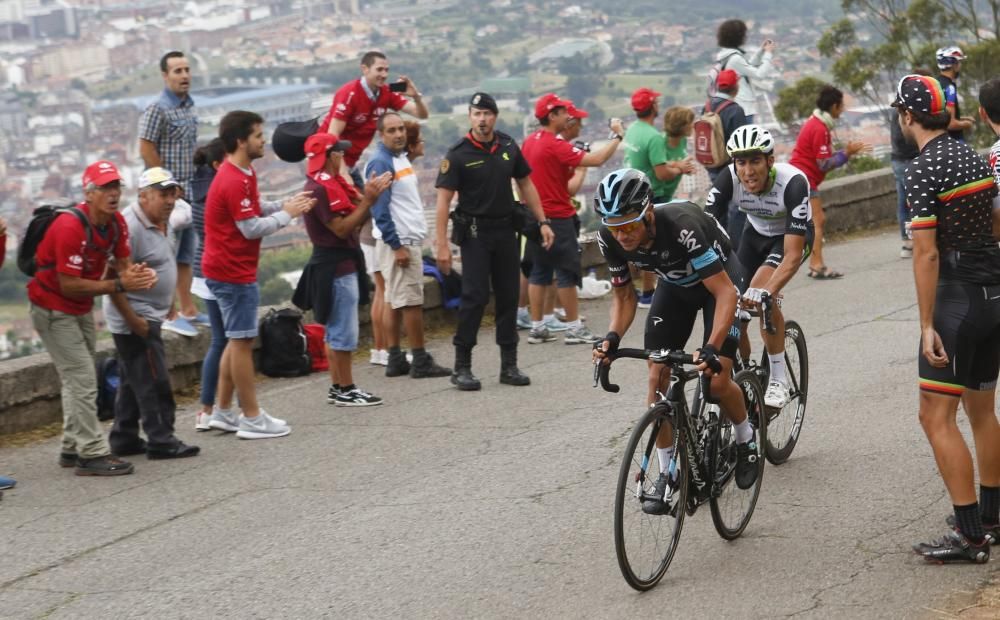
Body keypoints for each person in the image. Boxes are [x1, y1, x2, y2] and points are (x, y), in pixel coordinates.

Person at [592, 168, 760, 513]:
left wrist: (712, 347)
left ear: (648, 214)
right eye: (614, 226)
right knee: (656, 379)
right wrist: (611, 337)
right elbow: (624, 299)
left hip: (721, 283)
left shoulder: (682, 227)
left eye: (629, 225)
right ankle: (668, 471)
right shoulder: (609, 238)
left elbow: (726, 293)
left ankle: (747, 439)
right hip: (675, 288)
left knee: (715, 380)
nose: (621, 235)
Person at [892, 74, 1000, 563]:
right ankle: (993, 516)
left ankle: (970, 535)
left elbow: (926, 253)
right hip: (993, 292)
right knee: (982, 410)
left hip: (956, 298)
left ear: (908, 116)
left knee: (934, 415)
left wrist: (925, 324)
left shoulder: (921, 168)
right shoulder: (972, 155)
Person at [28, 161, 158, 475]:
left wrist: (137, 274)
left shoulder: (115, 224)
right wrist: (118, 284)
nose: (113, 194)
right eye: (105, 188)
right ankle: (92, 454)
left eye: (116, 187)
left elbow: (124, 265)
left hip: (80, 307)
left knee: (77, 381)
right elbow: (67, 284)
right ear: (89, 193)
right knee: (84, 380)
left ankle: (72, 448)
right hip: (52, 307)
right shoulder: (70, 226)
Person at [201, 111, 316, 439]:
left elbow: (254, 205)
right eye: (257, 135)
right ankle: (251, 417)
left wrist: (283, 203)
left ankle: (223, 412)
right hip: (231, 271)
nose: (263, 140)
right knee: (241, 342)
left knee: (235, 340)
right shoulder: (234, 178)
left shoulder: (241, 171)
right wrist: (286, 214)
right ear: (241, 141)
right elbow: (250, 228)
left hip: (230, 269)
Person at [434, 92, 554, 391]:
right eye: (477, 114)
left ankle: (508, 365)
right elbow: (443, 200)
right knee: (474, 298)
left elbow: (525, 183)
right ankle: (462, 366)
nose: (482, 119)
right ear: (470, 117)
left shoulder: (508, 145)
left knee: (509, 296)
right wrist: (441, 244)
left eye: (487, 114)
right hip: (475, 235)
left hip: (505, 232)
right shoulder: (457, 154)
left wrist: (542, 222)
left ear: (495, 117)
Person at [706, 125, 814, 410]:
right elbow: (704, 227)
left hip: (789, 239)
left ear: (769, 161)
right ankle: (749, 373)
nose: (748, 171)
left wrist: (768, 291)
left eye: (755, 161)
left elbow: (791, 255)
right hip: (754, 236)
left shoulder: (793, 183)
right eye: (741, 162)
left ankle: (778, 379)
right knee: (735, 309)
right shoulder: (728, 179)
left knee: (761, 296)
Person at [104, 168, 200, 459]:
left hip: (150, 313)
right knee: (154, 379)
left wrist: (167, 300)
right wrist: (134, 320)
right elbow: (112, 277)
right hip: (136, 317)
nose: (170, 200)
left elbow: (161, 263)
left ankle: (124, 437)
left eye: (172, 193)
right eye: (162, 194)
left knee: (134, 378)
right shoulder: (130, 227)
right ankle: (161, 439)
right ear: (143, 196)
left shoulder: (162, 220)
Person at [294, 133, 392, 406]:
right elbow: (341, 228)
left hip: (339, 263)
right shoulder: (320, 189)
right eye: (339, 152)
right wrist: (369, 201)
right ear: (332, 156)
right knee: (343, 332)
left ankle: (339, 387)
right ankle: (346, 388)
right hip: (336, 267)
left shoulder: (327, 183)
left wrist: (368, 199)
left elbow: (353, 217)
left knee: (336, 330)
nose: (343, 157)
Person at [521, 94, 624, 346]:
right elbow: (597, 159)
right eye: (562, 112)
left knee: (539, 271)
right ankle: (574, 327)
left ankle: (537, 327)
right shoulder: (553, 145)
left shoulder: (529, 142)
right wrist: (617, 136)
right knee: (566, 272)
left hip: (536, 217)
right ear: (552, 115)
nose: (567, 116)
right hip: (558, 217)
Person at [364, 115, 451, 378]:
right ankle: (420, 359)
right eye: (392, 130)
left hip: (402, 239)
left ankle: (395, 357)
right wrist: (396, 245)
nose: (399, 134)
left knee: (393, 300)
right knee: (411, 302)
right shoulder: (382, 161)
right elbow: (380, 208)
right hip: (400, 241)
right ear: (382, 135)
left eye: (401, 129)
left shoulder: (399, 158)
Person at [138, 50, 203, 337]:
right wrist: (165, 185)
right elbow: (146, 147)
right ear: (165, 76)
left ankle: (188, 309)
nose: (184, 75)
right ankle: (169, 312)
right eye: (177, 71)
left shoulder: (189, 106)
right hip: (167, 194)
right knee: (165, 255)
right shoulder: (157, 109)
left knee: (186, 254)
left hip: (188, 191)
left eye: (187, 69)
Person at [788, 85, 871, 280]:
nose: (841, 110)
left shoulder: (817, 122)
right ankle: (816, 264)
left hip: (802, 176)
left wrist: (845, 153)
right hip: (804, 178)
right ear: (834, 106)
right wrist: (847, 154)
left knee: (813, 221)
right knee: (817, 221)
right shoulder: (819, 127)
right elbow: (824, 164)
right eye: (841, 106)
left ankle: (813, 263)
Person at [623, 87, 694, 308]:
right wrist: (680, 168)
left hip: (630, 189)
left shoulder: (633, 129)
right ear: (653, 106)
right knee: (652, 244)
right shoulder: (654, 137)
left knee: (638, 244)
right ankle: (648, 293)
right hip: (651, 193)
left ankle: (638, 292)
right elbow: (662, 172)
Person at [319, 51, 429, 184]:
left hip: (351, 163)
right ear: (365, 69)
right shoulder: (349, 93)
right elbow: (333, 134)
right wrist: (342, 172)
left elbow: (422, 114)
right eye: (379, 70)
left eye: (387, 70)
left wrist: (416, 96)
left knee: (365, 202)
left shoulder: (387, 91)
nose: (384, 75)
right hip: (329, 165)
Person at [190, 139, 228, 432]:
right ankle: (218, 408)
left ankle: (207, 409)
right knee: (231, 340)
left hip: (203, 271)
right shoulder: (217, 190)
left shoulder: (198, 189)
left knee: (221, 340)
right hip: (219, 269)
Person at [714, 19, 777, 124]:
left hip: (736, 105)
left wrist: (761, 51)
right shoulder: (735, 58)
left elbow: (747, 67)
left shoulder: (726, 55)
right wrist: (768, 54)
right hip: (743, 107)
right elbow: (759, 74)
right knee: (744, 139)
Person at [703, 69, 748, 185]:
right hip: (729, 168)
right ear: (735, 87)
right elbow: (743, 145)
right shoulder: (735, 110)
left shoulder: (707, 107)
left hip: (711, 164)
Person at [890, 103, 920, 259]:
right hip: (905, 160)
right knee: (913, 201)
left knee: (903, 202)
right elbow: (902, 141)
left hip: (899, 160)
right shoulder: (902, 114)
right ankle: (912, 240)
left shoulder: (897, 112)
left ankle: (907, 241)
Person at [936, 47, 976, 142]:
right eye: (959, 62)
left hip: (941, 141)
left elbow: (941, 116)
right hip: (955, 141)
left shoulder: (936, 83)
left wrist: (962, 118)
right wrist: (967, 124)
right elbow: (950, 124)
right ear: (954, 65)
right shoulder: (950, 88)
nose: (960, 66)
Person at [661, 105, 696, 201]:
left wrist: (687, 168)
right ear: (681, 126)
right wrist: (680, 167)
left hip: (669, 194)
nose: (693, 125)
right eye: (690, 122)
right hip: (657, 195)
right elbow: (659, 168)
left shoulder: (683, 140)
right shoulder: (660, 142)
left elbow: (679, 163)